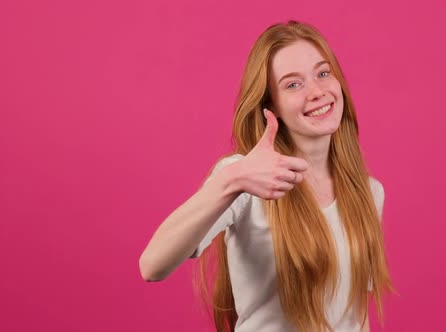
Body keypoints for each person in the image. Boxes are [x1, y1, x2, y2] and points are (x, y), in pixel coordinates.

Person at [139, 20, 394, 332]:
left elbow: (356, 317)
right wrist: (231, 181)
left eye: (323, 73)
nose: (316, 92)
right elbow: (152, 265)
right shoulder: (244, 178)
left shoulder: (368, 192)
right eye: (293, 84)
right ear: (271, 105)